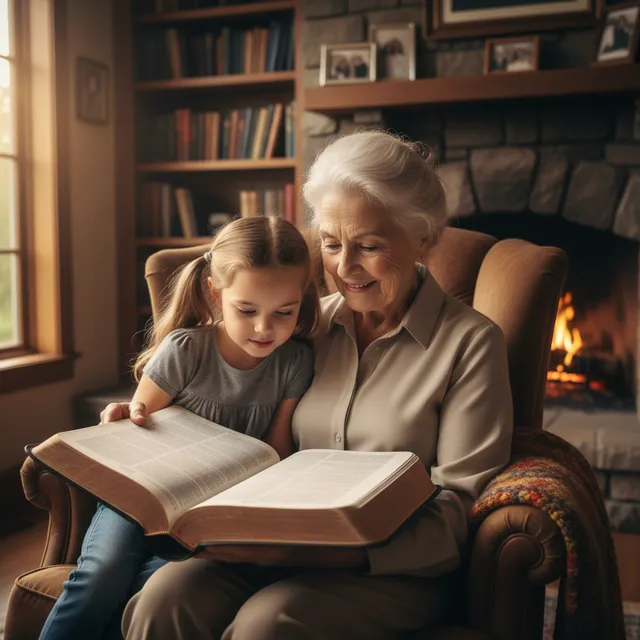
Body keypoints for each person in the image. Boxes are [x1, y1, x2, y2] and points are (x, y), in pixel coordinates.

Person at [103, 130, 514, 640]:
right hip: (268, 548)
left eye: (368, 246)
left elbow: (462, 502)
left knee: (268, 624)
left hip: (389, 572)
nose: (344, 268)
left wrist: (331, 548)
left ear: (424, 238)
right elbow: (221, 394)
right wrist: (143, 419)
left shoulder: (471, 344)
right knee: (164, 599)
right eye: (331, 244)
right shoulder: (302, 327)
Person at [39, 216, 318, 640]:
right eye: (246, 310)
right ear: (214, 293)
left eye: (285, 312)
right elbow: (137, 420)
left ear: (303, 299)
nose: (265, 329)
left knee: (160, 583)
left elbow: (276, 450)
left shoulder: (294, 362)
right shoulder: (187, 349)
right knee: (104, 572)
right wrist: (122, 419)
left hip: (212, 513)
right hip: (142, 500)